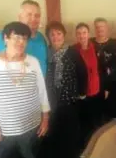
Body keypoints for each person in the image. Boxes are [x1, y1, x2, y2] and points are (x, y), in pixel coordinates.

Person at [0, 21, 50, 158]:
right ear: (6, 38)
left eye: (24, 38)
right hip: (2, 130)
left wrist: (45, 118)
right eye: (16, 37)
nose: (21, 42)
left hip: (31, 127)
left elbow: (42, 90)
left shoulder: (33, 61)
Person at [45, 21, 87, 158]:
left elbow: (83, 72)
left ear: (64, 35)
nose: (56, 37)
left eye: (59, 33)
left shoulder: (72, 52)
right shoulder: (46, 54)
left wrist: (82, 93)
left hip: (70, 101)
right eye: (52, 34)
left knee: (70, 132)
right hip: (51, 102)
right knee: (55, 131)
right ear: (48, 37)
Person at [0, 0, 48, 76]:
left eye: (37, 16)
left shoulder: (41, 38)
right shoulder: (6, 36)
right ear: (20, 17)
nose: (33, 19)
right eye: (29, 15)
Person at [74, 22, 102, 152]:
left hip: (96, 89)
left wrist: (105, 87)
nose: (82, 36)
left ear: (88, 34)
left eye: (84, 33)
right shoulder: (73, 50)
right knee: (84, 119)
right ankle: (85, 146)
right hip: (82, 92)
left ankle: (95, 144)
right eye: (79, 33)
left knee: (95, 118)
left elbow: (101, 68)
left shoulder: (95, 48)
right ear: (76, 36)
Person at [91, 17, 116, 121]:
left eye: (102, 27)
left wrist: (108, 87)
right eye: (97, 27)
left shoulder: (114, 43)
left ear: (107, 28)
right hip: (95, 82)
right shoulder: (90, 42)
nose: (100, 29)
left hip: (110, 82)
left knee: (110, 111)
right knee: (96, 110)